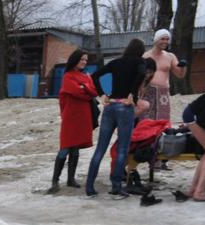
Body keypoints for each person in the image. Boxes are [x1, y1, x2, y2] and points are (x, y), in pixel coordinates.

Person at [85, 38, 148, 198]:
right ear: (140, 50)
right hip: (125, 107)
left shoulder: (116, 62)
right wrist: (132, 94)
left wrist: (102, 94)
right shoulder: (140, 61)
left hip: (110, 105)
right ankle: (116, 186)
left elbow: (94, 76)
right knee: (122, 149)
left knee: (100, 148)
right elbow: (141, 73)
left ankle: (90, 186)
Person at [48, 50, 98, 193]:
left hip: (83, 117)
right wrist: (86, 88)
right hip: (71, 117)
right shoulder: (67, 76)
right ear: (75, 59)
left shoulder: (85, 76)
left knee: (75, 149)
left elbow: (93, 92)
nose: (84, 62)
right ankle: (55, 181)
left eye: (86, 60)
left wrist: (85, 87)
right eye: (82, 59)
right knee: (65, 148)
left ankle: (71, 179)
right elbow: (79, 93)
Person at [141, 30, 186, 123]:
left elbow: (180, 75)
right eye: (163, 39)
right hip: (148, 91)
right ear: (156, 40)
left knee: (163, 120)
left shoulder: (170, 56)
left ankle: (161, 137)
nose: (165, 41)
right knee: (146, 119)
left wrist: (183, 67)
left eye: (167, 39)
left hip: (163, 93)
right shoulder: (145, 56)